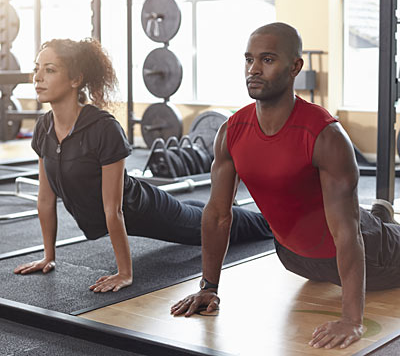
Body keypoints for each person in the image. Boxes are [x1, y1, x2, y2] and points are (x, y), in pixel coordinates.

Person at [170, 22, 400, 350]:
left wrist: (352, 319)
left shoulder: (325, 136)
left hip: (373, 255)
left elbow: (348, 234)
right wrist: (209, 286)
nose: (253, 69)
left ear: (295, 67)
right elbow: (218, 214)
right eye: (249, 59)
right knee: (348, 215)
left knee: (364, 226)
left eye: (267, 60)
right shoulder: (231, 131)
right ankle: (379, 212)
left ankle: (381, 218)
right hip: (293, 257)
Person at [13, 38, 273, 293]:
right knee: (197, 210)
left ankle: (272, 224)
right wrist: (49, 256)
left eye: (50, 70)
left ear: (76, 79)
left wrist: (125, 273)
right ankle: (216, 208)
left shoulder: (104, 128)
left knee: (208, 225)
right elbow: (45, 200)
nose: (37, 77)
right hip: (126, 212)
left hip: (144, 210)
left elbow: (113, 209)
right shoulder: (44, 128)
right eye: (37, 68)